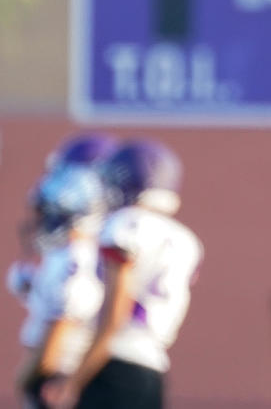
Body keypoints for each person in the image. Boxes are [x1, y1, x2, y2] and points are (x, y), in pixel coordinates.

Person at [47, 139, 203, 409]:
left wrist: (75, 379)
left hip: (115, 364)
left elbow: (115, 313)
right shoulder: (185, 239)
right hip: (153, 366)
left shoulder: (125, 225)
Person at [13, 165, 109, 409]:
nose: (42, 220)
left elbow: (60, 327)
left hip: (54, 378)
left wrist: (24, 379)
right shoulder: (78, 256)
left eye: (47, 212)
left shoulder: (73, 260)